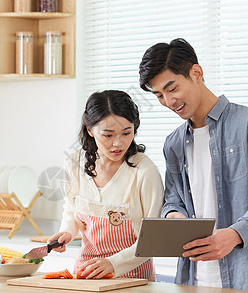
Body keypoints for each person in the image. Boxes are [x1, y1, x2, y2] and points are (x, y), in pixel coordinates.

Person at [138, 38, 248, 292]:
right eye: (159, 95)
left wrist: (234, 235)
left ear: (196, 73)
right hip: (192, 277)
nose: (168, 102)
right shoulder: (173, 144)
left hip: (246, 275)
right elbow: (173, 200)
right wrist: (174, 216)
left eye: (172, 89)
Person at [48, 90, 164, 281]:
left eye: (126, 133)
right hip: (86, 274)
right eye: (108, 135)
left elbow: (152, 240)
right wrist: (67, 232)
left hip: (132, 279)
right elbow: (71, 209)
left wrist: (113, 263)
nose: (118, 143)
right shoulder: (75, 162)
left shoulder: (144, 171)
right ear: (90, 130)